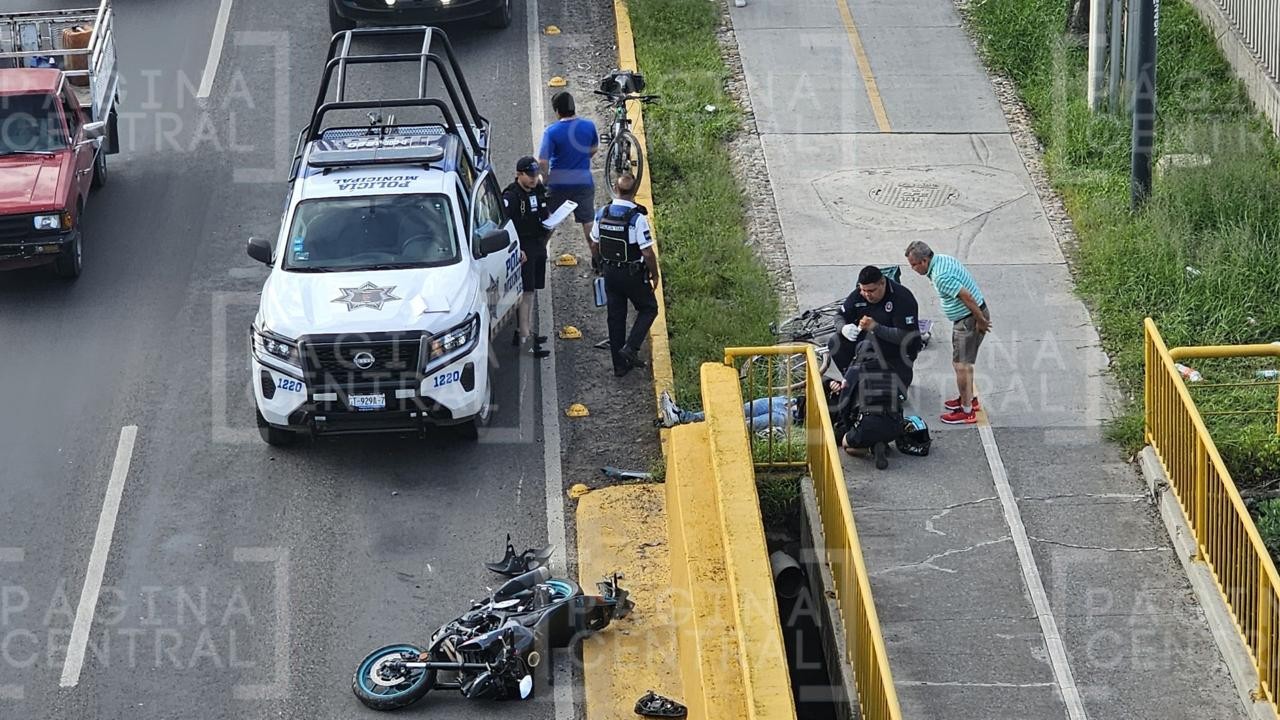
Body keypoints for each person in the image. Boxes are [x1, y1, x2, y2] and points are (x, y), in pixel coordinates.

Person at [905, 240, 991, 425]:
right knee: (962, 363)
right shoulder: (943, 259)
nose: (912, 268)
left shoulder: (940, 275)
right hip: (968, 317)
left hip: (968, 319)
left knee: (961, 365)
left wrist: (981, 320)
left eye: (914, 264)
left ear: (925, 260)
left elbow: (966, 297)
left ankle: (967, 411)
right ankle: (968, 398)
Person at [590, 174, 660, 377]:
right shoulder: (637, 219)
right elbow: (647, 252)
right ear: (635, 190)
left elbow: (594, 243)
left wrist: (600, 263)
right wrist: (654, 274)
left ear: (615, 188)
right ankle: (631, 348)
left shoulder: (602, 212)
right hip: (632, 274)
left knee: (615, 318)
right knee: (648, 308)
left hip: (610, 272)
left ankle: (619, 367)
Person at [538, 91, 599, 259]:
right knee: (588, 223)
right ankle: (598, 261)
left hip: (558, 184)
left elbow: (542, 162)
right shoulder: (589, 126)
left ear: (557, 111)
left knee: (548, 222)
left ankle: (538, 256)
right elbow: (593, 149)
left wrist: (545, 179)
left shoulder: (551, 132)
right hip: (584, 182)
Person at [502, 156, 552, 359]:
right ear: (518, 174)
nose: (533, 179)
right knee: (526, 294)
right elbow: (504, 223)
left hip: (537, 244)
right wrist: (517, 248)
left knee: (532, 291)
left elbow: (543, 209)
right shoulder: (511, 196)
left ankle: (523, 332)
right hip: (523, 248)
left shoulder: (537, 189)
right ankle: (525, 338)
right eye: (529, 175)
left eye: (535, 175)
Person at [660, 391, 804, 435]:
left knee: (740, 426)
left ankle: (692, 428)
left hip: (794, 418)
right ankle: (681, 417)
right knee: (732, 412)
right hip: (788, 402)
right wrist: (827, 384)